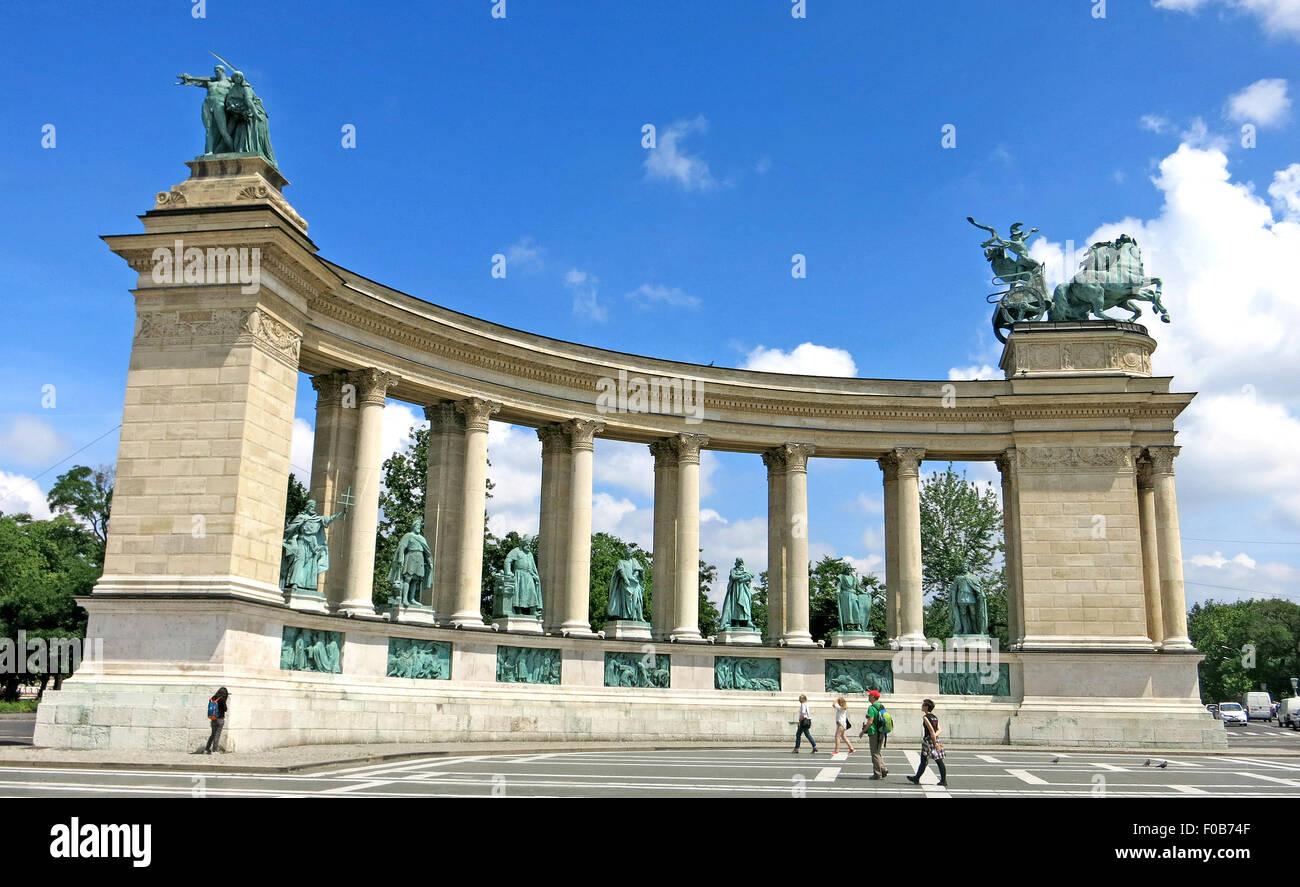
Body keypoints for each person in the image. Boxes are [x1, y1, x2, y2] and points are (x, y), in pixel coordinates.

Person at [906, 699, 948, 787]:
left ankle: (917, 778)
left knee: (925, 759)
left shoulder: (925, 717)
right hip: (935, 739)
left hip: (929, 741)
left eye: (923, 705)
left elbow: (931, 731)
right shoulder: (935, 717)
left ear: (926, 707)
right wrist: (935, 738)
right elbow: (939, 729)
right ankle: (942, 780)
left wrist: (933, 740)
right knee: (938, 760)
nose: (922, 706)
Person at [862, 689, 889, 778]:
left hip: (874, 732)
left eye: (869, 695)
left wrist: (863, 731)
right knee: (877, 751)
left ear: (873, 697)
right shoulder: (881, 706)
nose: (868, 697)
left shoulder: (872, 707)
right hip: (881, 732)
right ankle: (883, 769)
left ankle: (877, 773)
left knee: (874, 753)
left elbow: (870, 722)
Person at [204, 687, 229, 754]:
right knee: (217, 735)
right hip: (220, 719)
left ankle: (206, 749)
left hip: (213, 718)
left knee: (212, 735)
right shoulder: (222, 699)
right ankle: (214, 750)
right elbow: (225, 709)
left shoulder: (212, 698)